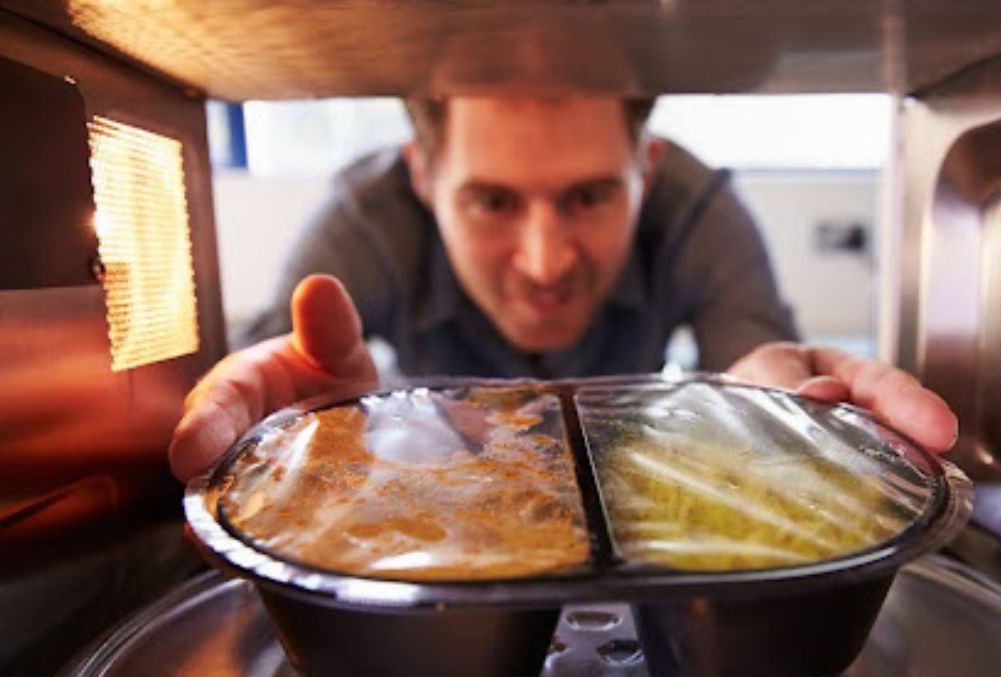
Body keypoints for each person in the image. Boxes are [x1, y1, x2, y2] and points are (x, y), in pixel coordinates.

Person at [168, 96, 956, 482]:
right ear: (423, 174)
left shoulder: (696, 210)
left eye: (588, 196)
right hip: (448, 490)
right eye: (493, 201)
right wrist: (294, 436)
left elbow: (756, 365)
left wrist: (771, 412)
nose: (545, 263)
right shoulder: (364, 224)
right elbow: (270, 384)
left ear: (644, 172)